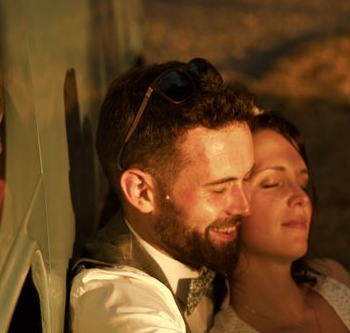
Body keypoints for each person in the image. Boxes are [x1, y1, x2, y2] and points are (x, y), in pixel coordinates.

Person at [69, 58, 256, 333]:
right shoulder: (116, 301)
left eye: (248, 177)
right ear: (141, 191)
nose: (245, 206)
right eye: (218, 189)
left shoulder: (199, 245)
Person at [212, 112, 350, 333]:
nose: (301, 198)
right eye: (272, 183)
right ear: (229, 205)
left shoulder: (331, 277)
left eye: (302, 184)